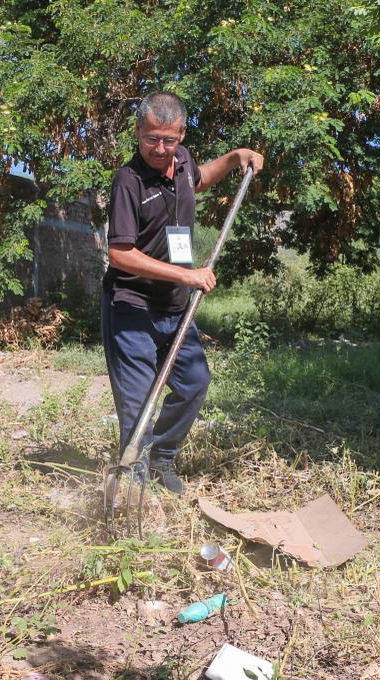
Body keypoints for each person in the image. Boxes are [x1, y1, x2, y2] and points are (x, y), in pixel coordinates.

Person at [102, 91, 263, 494]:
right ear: (138, 132)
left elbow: (200, 179)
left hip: (175, 307)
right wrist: (186, 275)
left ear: (181, 135)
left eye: (168, 140)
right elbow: (120, 254)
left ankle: (163, 458)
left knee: (194, 383)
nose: (159, 148)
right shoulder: (129, 182)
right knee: (138, 404)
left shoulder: (184, 160)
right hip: (132, 306)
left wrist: (233, 157)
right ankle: (132, 484)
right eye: (151, 138)